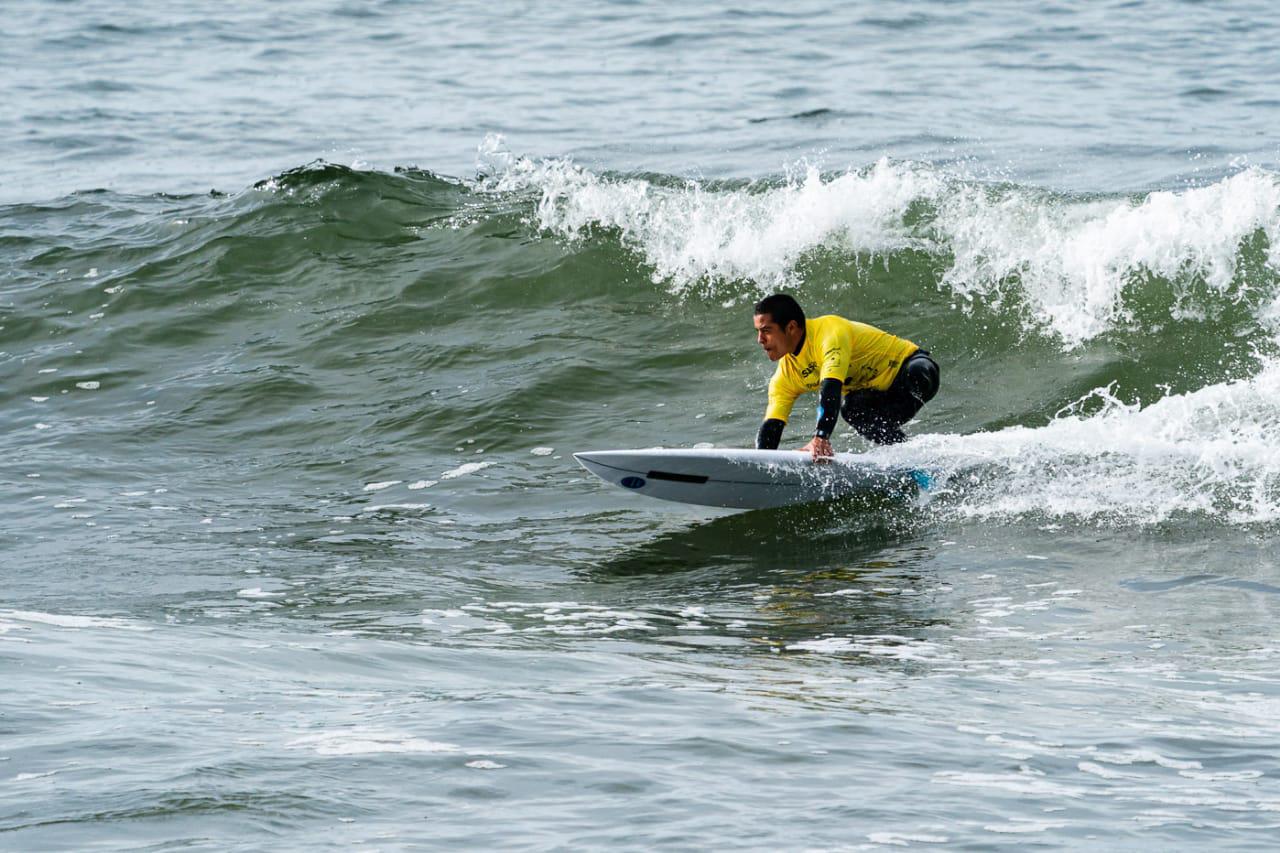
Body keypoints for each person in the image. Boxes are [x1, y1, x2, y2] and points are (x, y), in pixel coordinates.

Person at [752, 293, 939, 460]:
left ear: (791, 327)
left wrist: (820, 437)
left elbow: (830, 388)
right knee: (852, 410)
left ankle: (910, 456)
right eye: (758, 332)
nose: (760, 339)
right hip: (878, 396)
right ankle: (910, 456)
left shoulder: (829, 332)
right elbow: (773, 424)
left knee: (918, 372)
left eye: (766, 331)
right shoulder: (786, 376)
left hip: (912, 370)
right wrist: (759, 463)